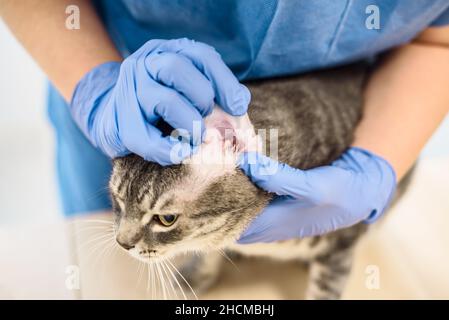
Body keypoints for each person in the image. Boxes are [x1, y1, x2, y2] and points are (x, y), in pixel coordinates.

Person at [1, 0, 449, 243]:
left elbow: (439, 39)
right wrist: (96, 87)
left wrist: (372, 163)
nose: (125, 237)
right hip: (124, 94)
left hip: (354, 105)